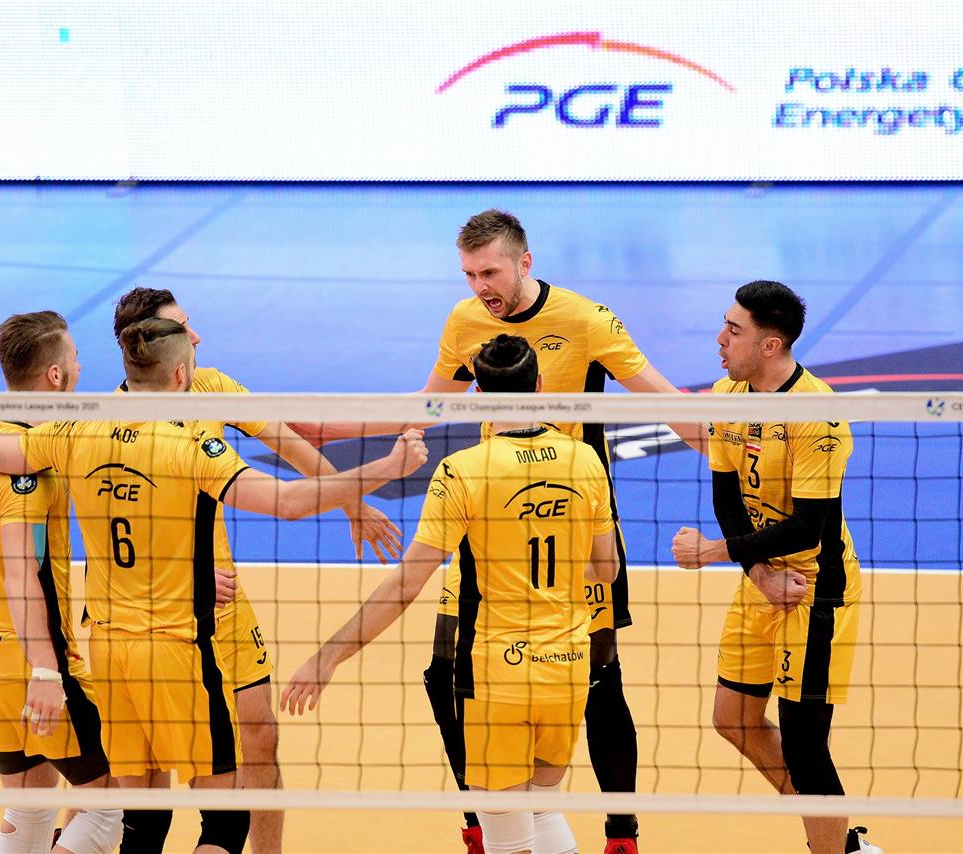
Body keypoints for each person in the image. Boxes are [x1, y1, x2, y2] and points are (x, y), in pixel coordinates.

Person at [0, 318, 428, 854]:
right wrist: (388, 466)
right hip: (178, 653)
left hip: (109, 656)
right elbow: (287, 502)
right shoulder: (190, 448)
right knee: (224, 823)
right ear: (180, 376)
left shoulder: (73, 432)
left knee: (139, 821)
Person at [295, 210, 705, 854]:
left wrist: (727, 450)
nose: (480, 286)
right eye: (469, 274)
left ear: (524, 263)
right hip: (490, 511)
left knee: (601, 679)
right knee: (445, 674)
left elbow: (662, 398)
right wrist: (336, 430)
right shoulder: (465, 322)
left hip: (575, 509)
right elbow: (430, 403)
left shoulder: (586, 320)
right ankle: (484, 814)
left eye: (489, 272)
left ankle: (620, 831)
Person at [281, 335, 619, 854]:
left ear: (478, 395)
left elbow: (406, 585)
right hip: (568, 665)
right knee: (543, 806)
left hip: (497, 672)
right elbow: (607, 569)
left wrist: (328, 657)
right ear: (541, 385)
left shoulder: (463, 471)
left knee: (507, 837)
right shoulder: (585, 461)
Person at [112, 286, 403, 853]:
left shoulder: (211, 387)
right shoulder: (111, 425)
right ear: (150, 341)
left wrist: (353, 505)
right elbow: (112, 533)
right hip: (154, 615)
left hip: (224, 606)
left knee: (261, 735)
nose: (197, 337)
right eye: (183, 328)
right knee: (152, 772)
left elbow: (289, 443)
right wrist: (186, 578)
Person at [670, 281, 880, 854]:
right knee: (733, 719)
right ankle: (839, 839)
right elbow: (727, 497)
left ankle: (830, 846)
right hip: (762, 578)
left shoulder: (816, 414)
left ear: (770, 345)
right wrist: (759, 574)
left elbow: (810, 524)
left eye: (733, 330)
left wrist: (713, 552)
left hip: (816, 589)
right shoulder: (727, 394)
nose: (720, 339)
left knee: (806, 745)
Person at [0, 311, 122, 853]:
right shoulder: (31, 466)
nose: (80, 367)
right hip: (32, 659)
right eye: (75, 358)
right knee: (109, 808)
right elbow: (23, 572)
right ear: (54, 375)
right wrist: (46, 669)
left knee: (30, 806)